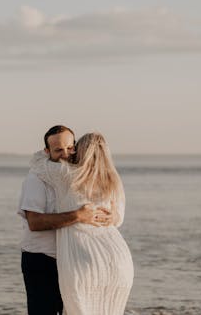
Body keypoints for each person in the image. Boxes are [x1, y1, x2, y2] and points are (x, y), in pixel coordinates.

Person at [29, 132, 134, 315]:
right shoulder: (113, 181)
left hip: (83, 258)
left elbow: (38, 161)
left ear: (80, 151)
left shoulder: (66, 175)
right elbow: (118, 219)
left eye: (73, 148)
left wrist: (60, 147)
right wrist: (111, 217)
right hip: (119, 259)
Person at [18, 125, 113, 315]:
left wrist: (109, 216)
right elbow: (35, 222)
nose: (66, 154)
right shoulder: (37, 178)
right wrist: (78, 216)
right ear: (47, 151)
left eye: (70, 148)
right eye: (58, 150)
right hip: (42, 259)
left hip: (71, 259)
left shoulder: (75, 175)